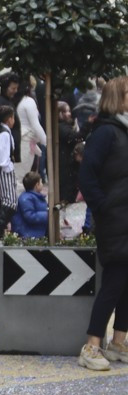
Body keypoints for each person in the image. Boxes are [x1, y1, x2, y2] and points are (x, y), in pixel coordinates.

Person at [76, 76, 128, 372]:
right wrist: (104, 208)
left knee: (127, 282)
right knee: (115, 281)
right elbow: (88, 176)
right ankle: (92, 345)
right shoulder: (106, 132)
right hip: (115, 218)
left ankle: (119, 341)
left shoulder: (123, 131)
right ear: (116, 97)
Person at [0, 105, 18, 241]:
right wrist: (7, 166)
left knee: (0, 200)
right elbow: (0, 152)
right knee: (10, 201)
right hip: (3, 169)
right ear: (9, 119)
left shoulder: (2, 131)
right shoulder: (4, 134)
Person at [15, 79, 47, 185]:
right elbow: (35, 124)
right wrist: (46, 141)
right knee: (22, 176)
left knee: (17, 175)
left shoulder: (15, 101)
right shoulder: (28, 101)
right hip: (26, 139)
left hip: (17, 139)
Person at [11, 171, 49, 239]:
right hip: (28, 234)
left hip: (36, 232)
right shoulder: (26, 198)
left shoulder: (35, 197)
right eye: (41, 182)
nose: (42, 184)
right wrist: (48, 215)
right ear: (36, 185)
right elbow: (30, 216)